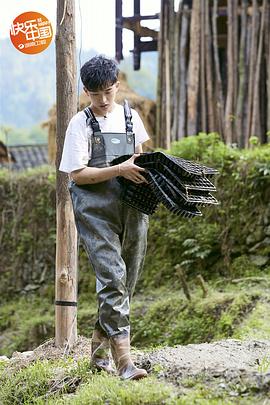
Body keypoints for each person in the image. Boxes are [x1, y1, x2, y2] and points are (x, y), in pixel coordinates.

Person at [59, 55, 150, 380]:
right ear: (86, 91)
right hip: (95, 211)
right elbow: (78, 174)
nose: (103, 100)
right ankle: (125, 363)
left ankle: (98, 356)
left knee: (125, 284)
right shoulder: (79, 124)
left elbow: (141, 157)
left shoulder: (131, 117)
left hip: (133, 208)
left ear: (117, 86)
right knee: (112, 279)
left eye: (108, 91)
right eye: (95, 94)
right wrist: (119, 169)